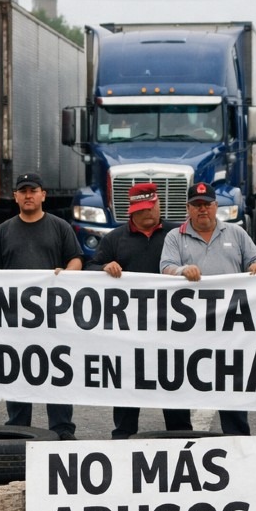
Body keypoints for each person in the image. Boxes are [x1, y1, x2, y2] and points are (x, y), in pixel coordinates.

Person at [0, 172, 83, 439]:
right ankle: (19, 430)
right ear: (16, 197)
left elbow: (76, 259)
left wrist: (66, 274)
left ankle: (62, 431)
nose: (28, 195)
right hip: (15, 319)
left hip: (54, 318)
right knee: (17, 372)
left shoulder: (59, 226)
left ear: (44, 195)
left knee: (58, 373)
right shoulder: (5, 230)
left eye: (33, 190)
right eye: (23, 191)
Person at [161, 181, 256, 435]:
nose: (202, 210)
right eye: (196, 205)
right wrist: (181, 271)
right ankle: (180, 437)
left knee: (230, 381)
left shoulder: (236, 233)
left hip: (228, 326)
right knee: (182, 379)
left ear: (216, 206)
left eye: (207, 205)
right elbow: (165, 268)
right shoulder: (175, 237)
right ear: (188, 208)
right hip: (188, 328)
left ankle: (238, 438)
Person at [87, 183, 192, 438]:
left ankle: (181, 439)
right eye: (143, 209)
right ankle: (123, 440)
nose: (149, 213)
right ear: (131, 211)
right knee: (126, 389)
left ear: (159, 203)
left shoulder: (177, 234)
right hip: (129, 332)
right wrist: (103, 268)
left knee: (174, 389)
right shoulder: (115, 238)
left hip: (171, 328)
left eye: (152, 206)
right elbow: (88, 268)